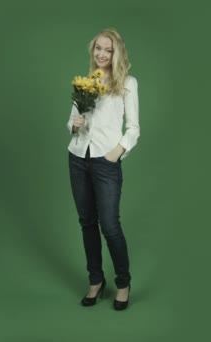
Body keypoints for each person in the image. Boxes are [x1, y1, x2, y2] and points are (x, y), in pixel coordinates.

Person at [66, 28, 140, 311]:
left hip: (105, 162)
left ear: (116, 52)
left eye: (107, 50)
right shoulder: (84, 82)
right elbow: (70, 122)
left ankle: (123, 283)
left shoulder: (128, 84)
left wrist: (116, 153)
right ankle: (96, 280)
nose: (101, 54)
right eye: (98, 48)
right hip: (77, 157)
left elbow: (133, 128)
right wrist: (74, 124)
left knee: (110, 225)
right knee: (87, 222)